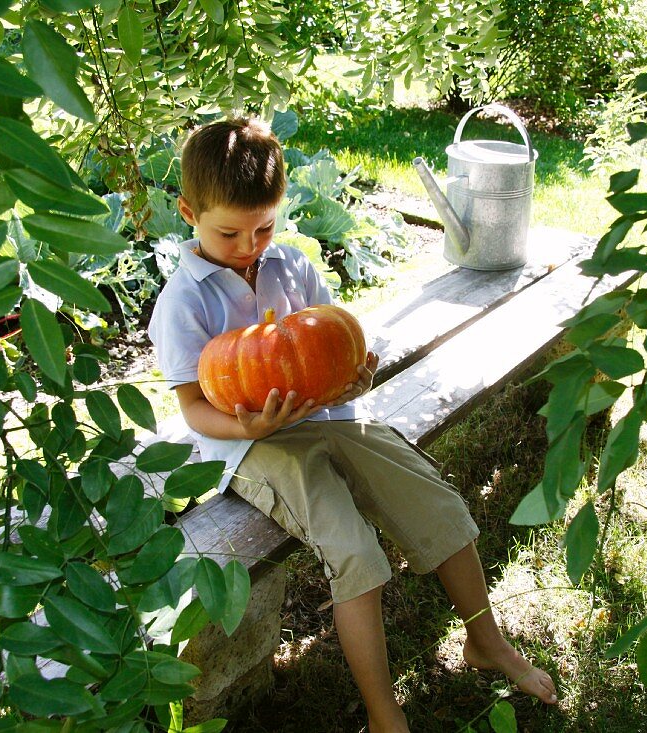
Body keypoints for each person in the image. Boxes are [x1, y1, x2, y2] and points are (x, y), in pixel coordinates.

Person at [147, 117, 557, 732]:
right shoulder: (185, 302)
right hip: (255, 448)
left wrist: (351, 380)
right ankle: (382, 709)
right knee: (356, 553)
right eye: (230, 232)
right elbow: (194, 409)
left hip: (333, 416)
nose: (249, 244)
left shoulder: (289, 266)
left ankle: (486, 641)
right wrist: (252, 430)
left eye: (264, 227)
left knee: (438, 507)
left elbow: (328, 347)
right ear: (188, 213)